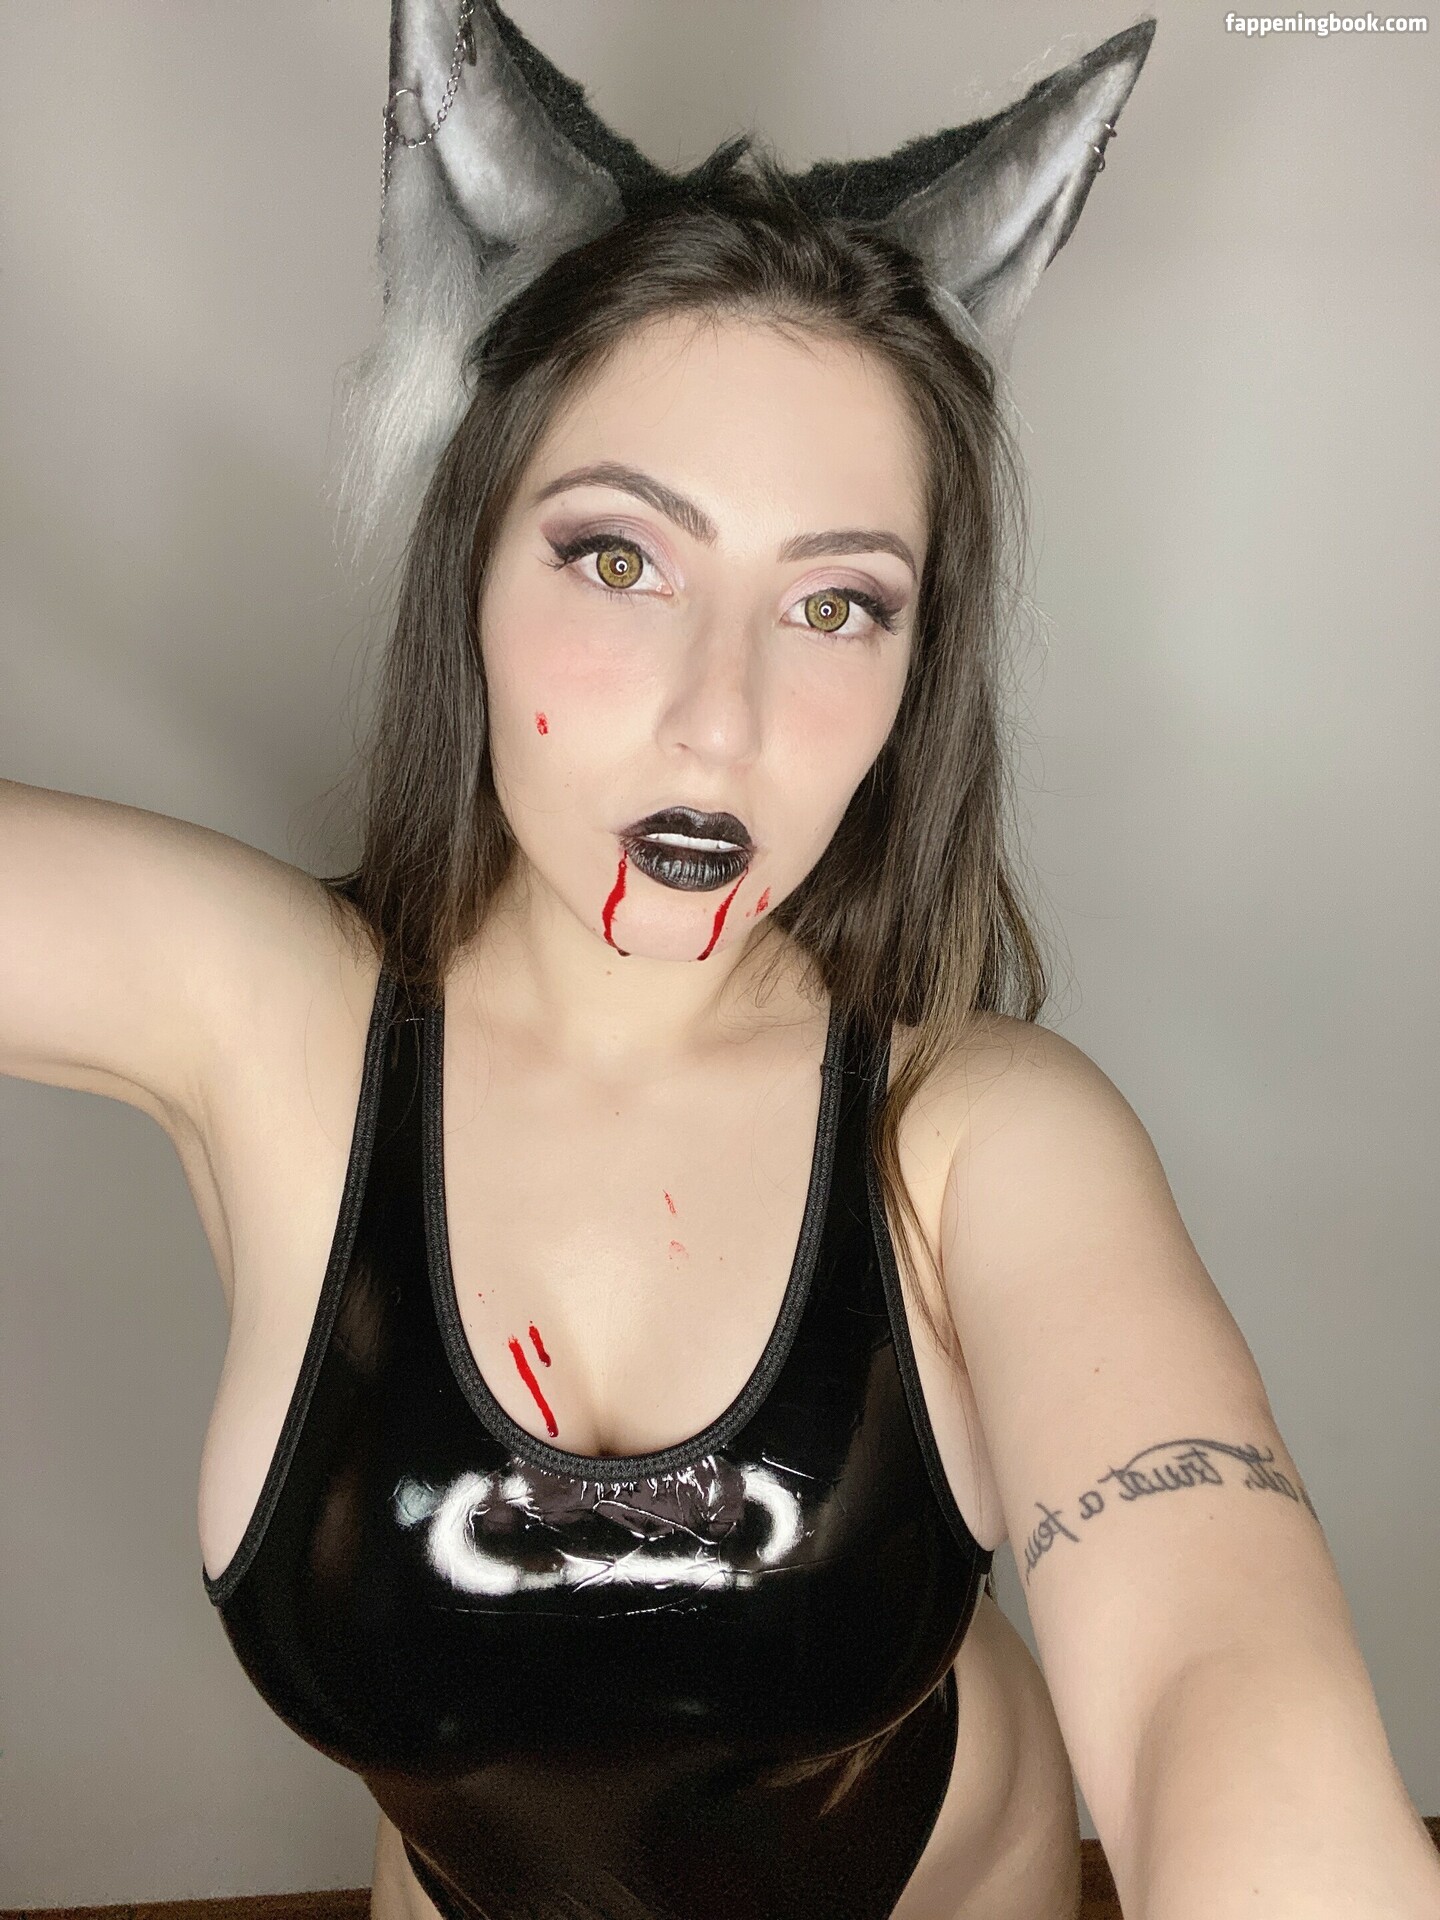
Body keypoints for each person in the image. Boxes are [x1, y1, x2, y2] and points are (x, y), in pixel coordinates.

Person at [6, 7, 1438, 1920]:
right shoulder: (263, 1019)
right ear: (469, 563)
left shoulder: (983, 1136)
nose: (723, 721)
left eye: (838, 603)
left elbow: (1214, 1667)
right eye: (619, 559)